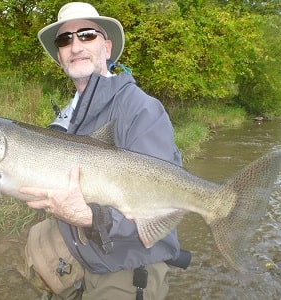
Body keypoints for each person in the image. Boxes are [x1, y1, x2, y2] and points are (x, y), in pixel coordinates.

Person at [20, 2, 185, 299]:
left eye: (86, 35)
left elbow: (162, 203)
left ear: (106, 48)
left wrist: (92, 218)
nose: (75, 45)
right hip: (86, 256)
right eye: (64, 39)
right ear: (59, 56)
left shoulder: (142, 110)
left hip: (129, 265)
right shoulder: (67, 118)